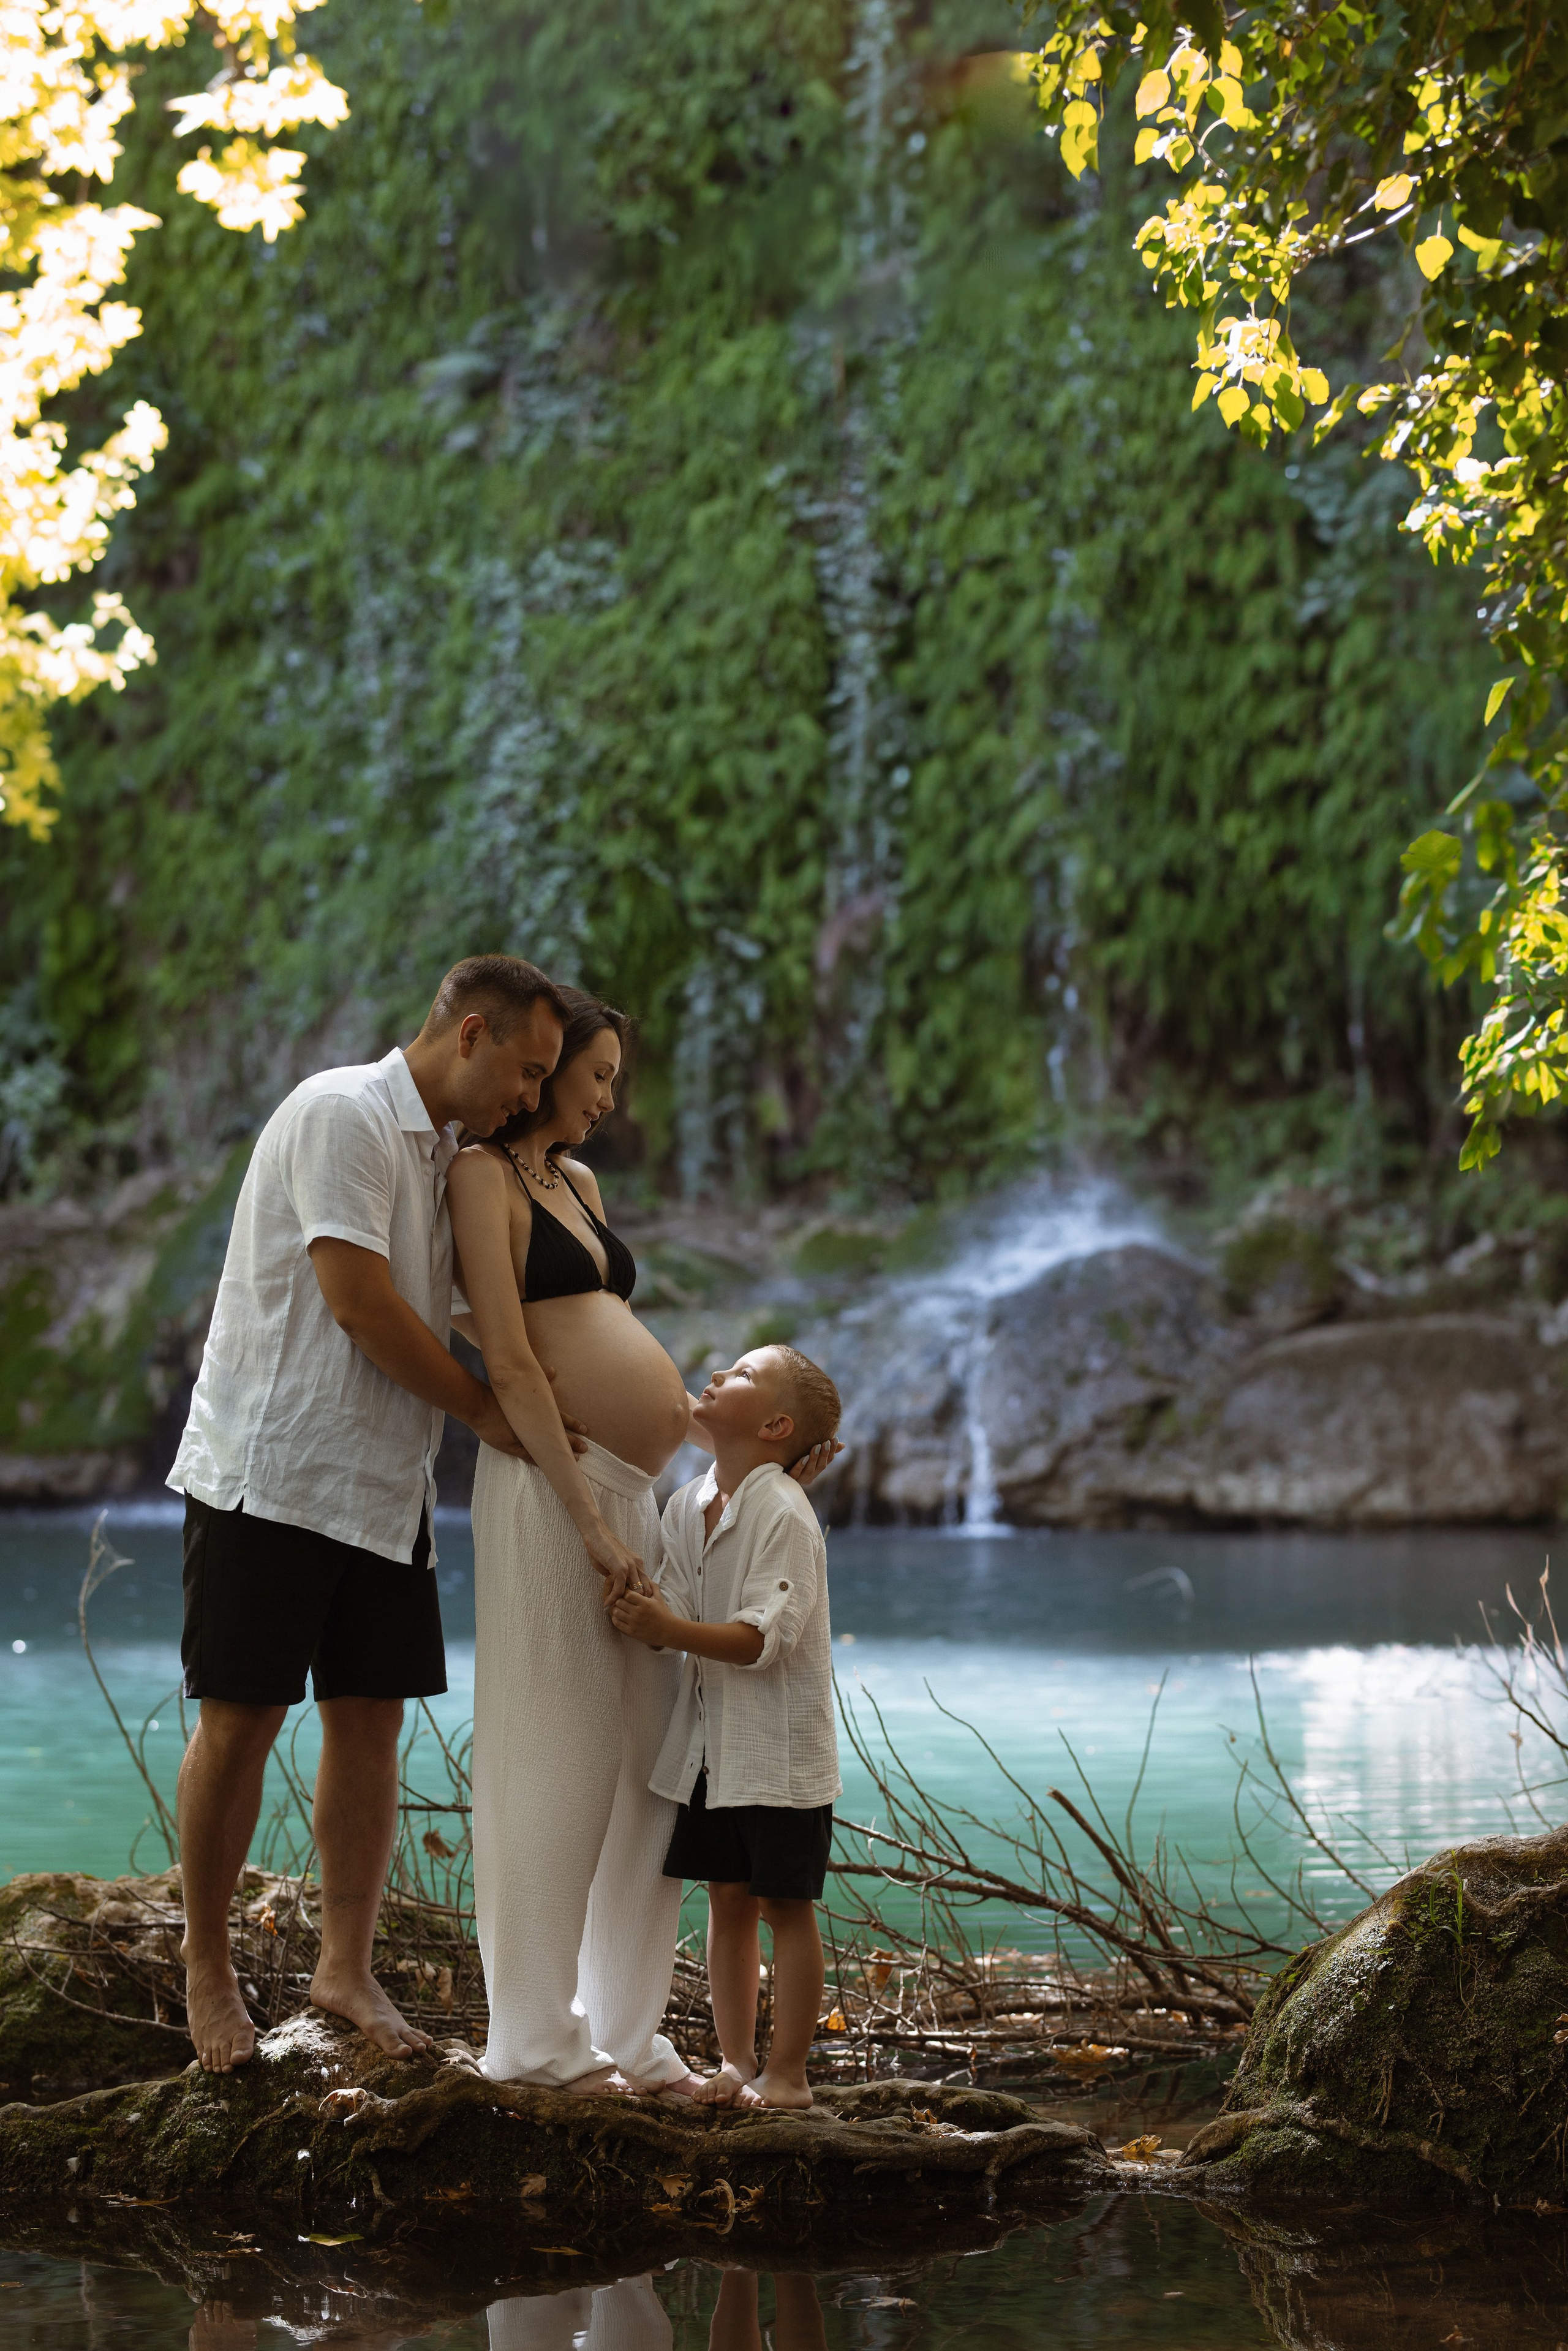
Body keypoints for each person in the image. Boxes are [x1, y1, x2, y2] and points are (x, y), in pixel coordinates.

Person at [167, 954, 571, 2075]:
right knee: (241, 1718)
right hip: (276, 1468)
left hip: (385, 1488)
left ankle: (342, 1966)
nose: (531, 1097)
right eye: (528, 1071)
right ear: (472, 1031)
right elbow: (359, 1304)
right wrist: (488, 1411)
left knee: (370, 1718)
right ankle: (207, 1964)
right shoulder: (344, 1111)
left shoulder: (454, 1160)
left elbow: (480, 1303)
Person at [447, 992, 838, 2098]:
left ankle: (624, 2027)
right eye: (599, 1070)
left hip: (632, 1491)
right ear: (548, 1058)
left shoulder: (577, 1184)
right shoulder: (480, 1177)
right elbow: (513, 1360)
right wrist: (578, 1511)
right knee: (553, 1751)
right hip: (546, 1488)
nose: (609, 1094)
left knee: (656, 1761)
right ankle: (533, 2037)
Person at [611, 1345, 841, 2110]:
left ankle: (790, 2075)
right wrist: (645, 1613)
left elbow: (758, 1639)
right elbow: (673, 1604)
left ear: (776, 1424)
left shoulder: (782, 1509)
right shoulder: (688, 1501)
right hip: (710, 1752)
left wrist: (667, 1629)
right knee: (727, 1900)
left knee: (786, 1906)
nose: (715, 1375)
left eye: (741, 1375)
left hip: (777, 1752)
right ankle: (736, 2063)